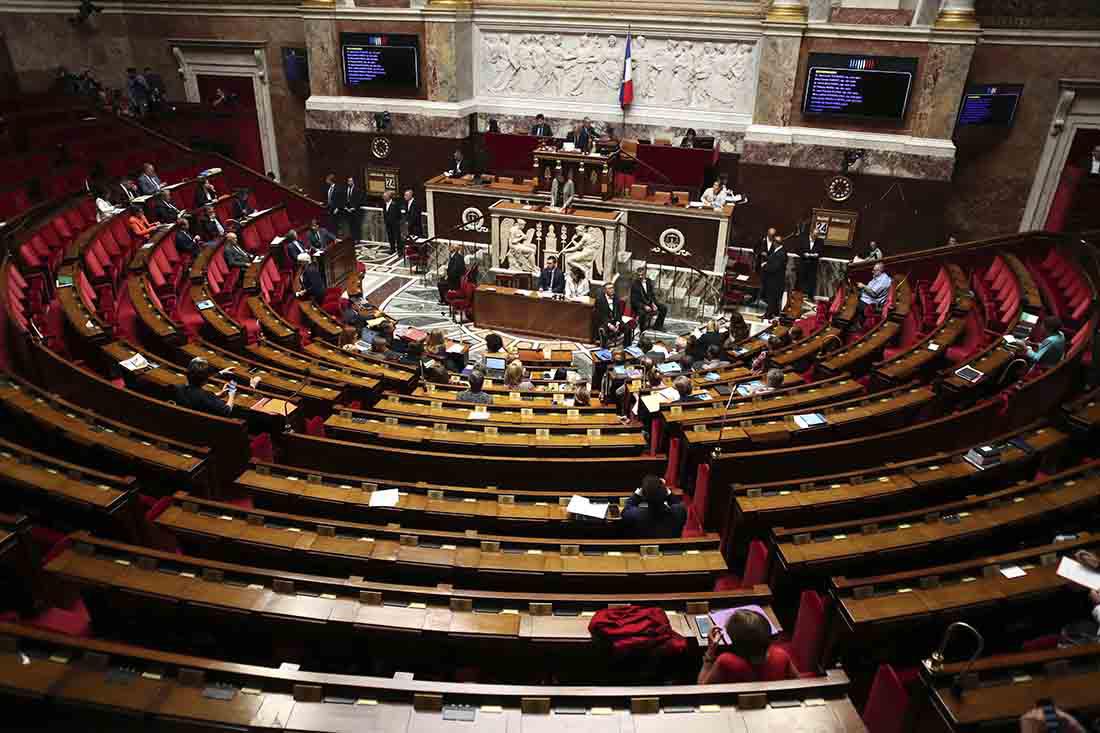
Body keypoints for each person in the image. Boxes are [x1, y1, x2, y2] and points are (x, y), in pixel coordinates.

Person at [698, 608, 793, 684]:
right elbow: (799, 683)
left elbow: (702, 689)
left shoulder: (726, 661)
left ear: (736, 643)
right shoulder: (781, 656)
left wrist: (710, 653)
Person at [174, 357, 259, 417]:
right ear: (205, 381)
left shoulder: (178, 388)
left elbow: (196, 395)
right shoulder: (206, 396)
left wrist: (219, 394)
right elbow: (227, 410)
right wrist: (232, 395)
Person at [622, 475, 687, 539]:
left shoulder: (636, 515)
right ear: (665, 493)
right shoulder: (678, 512)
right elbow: (678, 504)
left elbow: (626, 509)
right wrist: (668, 494)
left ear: (644, 497)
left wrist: (637, 495)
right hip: (672, 549)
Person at [630, 265, 667, 333]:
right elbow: (634, 300)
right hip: (640, 305)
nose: (640, 277)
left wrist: (653, 304)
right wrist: (644, 306)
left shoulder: (648, 281)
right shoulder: (634, 285)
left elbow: (651, 294)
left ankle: (658, 325)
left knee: (664, 308)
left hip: (649, 302)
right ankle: (642, 330)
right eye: (639, 275)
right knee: (642, 313)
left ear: (645, 274)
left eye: (642, 275)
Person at [760, 228, 787, 319]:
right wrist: (767, 260)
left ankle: (768, 315)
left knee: (771, 298)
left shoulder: (781, 253)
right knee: (773, 298)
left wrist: (764, 266)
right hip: (774, 280)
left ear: (776, 243)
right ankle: (774, 313)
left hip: (775, 280)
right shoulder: (779, 251)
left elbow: (775, 267)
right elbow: (773, 261)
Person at [595, 282, 630, 347]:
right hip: (605, 321)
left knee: (628, 328)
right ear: (605, 290)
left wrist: (618, 322)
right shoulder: (599, 300)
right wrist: (609, 325)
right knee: (603, 330)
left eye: (613, 288)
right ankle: (603, 348)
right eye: (609, 288)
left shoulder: (616, 298)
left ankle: (626, 347)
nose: (612, 290)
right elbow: (600, 315)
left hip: (615, 320)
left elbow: (619, 312)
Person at [798, 225, 823, 298]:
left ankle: (809, 296)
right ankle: (800, 296)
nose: (815, 237)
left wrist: (817, 255)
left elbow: (821, 252)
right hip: (803, 263)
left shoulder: (820, 241)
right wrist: (803, 254)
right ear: (811, 233)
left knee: (811, 281)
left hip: (813, 264)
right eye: (814, 235)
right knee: (801, 280)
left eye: (816, 235)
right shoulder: (803, 239)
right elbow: (798, 250)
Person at [381, 189, 403, 255]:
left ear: (389, 197)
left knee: (398, 238)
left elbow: (399, 215)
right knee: (390, 237)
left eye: (385, 196)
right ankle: (392, 249)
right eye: (383, 196)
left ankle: (400, 251)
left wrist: (396, 222)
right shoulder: (384, 204)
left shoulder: (395, 204)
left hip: (395, 224)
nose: (383, 198)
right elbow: (385, 213)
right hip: (388, 224)